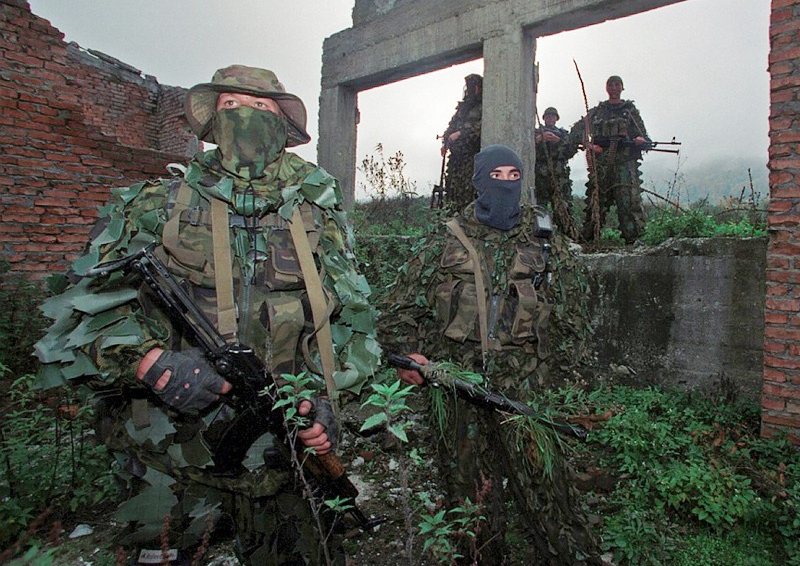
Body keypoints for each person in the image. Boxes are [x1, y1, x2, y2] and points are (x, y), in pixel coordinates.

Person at [34, 65, 381, 565]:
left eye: (262, 108)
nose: (247, 117)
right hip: (171, 449)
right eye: (232, 106)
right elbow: (75, 314)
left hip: (280, 442)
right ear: (212, 124)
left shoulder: (315, 213)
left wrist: (326, 397)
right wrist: (150, 362)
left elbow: (349, 319)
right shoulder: (155, 204)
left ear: (284, 124)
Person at [379, 145, 599, 565]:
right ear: (479, 180)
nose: (505, 183)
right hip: (456, 384)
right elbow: (398, 311)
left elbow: (573, 315)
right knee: (469, 493)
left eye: (513, 175)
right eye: (495, 175)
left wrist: (556, 375)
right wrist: (412, 360)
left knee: (546, 489)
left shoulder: (544, 238)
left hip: (524, 385)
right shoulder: (446, 237)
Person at [565, 75, 650, 243]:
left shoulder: (629, 111)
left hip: (625, 166)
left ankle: (635, 244)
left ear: (622, 88)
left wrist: (640, 140)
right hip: (601, 166)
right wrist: (589, 146)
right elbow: (576, 132)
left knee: (629, 207)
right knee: (595, 206)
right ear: (607, 88)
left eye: (617, 85)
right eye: (611, 85)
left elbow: (644, 138)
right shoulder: (598, 112)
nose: (614, 88)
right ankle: (588, 243)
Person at [441, 73, 483, 212]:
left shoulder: (483, 106)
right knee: (452, 189)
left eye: (473, 86)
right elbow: (452, 125)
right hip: (456, 156)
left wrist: (461, 133)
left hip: (472, 156)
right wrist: (445, 141)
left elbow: (482, 127)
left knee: (468, 192)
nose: (471, 90)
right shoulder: (463, 108)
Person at [534, 106, 576, 237]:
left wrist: (559, 142)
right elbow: (527, 147)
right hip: (541, 175)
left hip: (559, 177)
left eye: (552, 116)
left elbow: (571, 150)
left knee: (563, 206)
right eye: (548, 116)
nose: (550, 119)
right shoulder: (536, 132)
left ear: (556, 119)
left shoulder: (563, 134)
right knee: (540, 207)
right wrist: (540, 138)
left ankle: (567, 236)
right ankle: (540, 235)